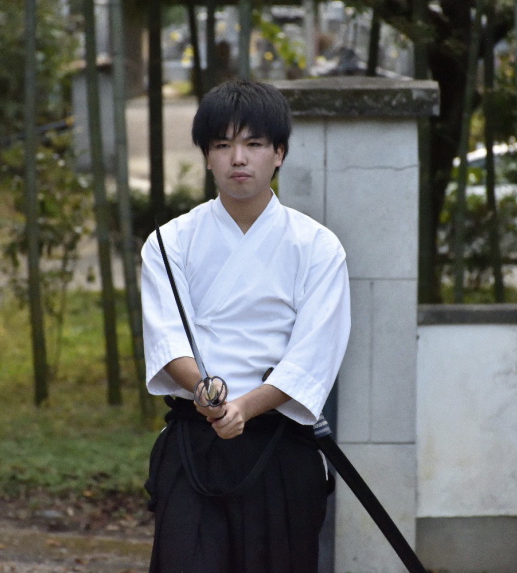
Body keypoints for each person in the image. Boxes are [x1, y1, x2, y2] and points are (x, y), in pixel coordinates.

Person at [141, 78, 351, 573]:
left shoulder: (317, 247)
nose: (238, 158)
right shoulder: (169, 243)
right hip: (197, 439)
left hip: (280, 446)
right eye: (223, 145)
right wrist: (209, 394)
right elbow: (167, 338)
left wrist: (246, 407)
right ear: (206, 157)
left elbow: (312, 356)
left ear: (279, 153)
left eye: (254, 144)